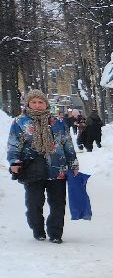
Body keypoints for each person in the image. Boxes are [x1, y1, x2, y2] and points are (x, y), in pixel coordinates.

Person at [8, 88, 79, 243]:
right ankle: (38, 229)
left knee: (58, 204)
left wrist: (73, 165)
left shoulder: (58, 122)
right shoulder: (20, 122)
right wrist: (14, 162)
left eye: (40, 102)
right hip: (32, 169)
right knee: (33, 205)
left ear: (46, 104)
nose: (37, 105)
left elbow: (67, 143)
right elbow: (14, 144)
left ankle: (55, 234)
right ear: (28, 103)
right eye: (33, 102)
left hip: (57, 169)